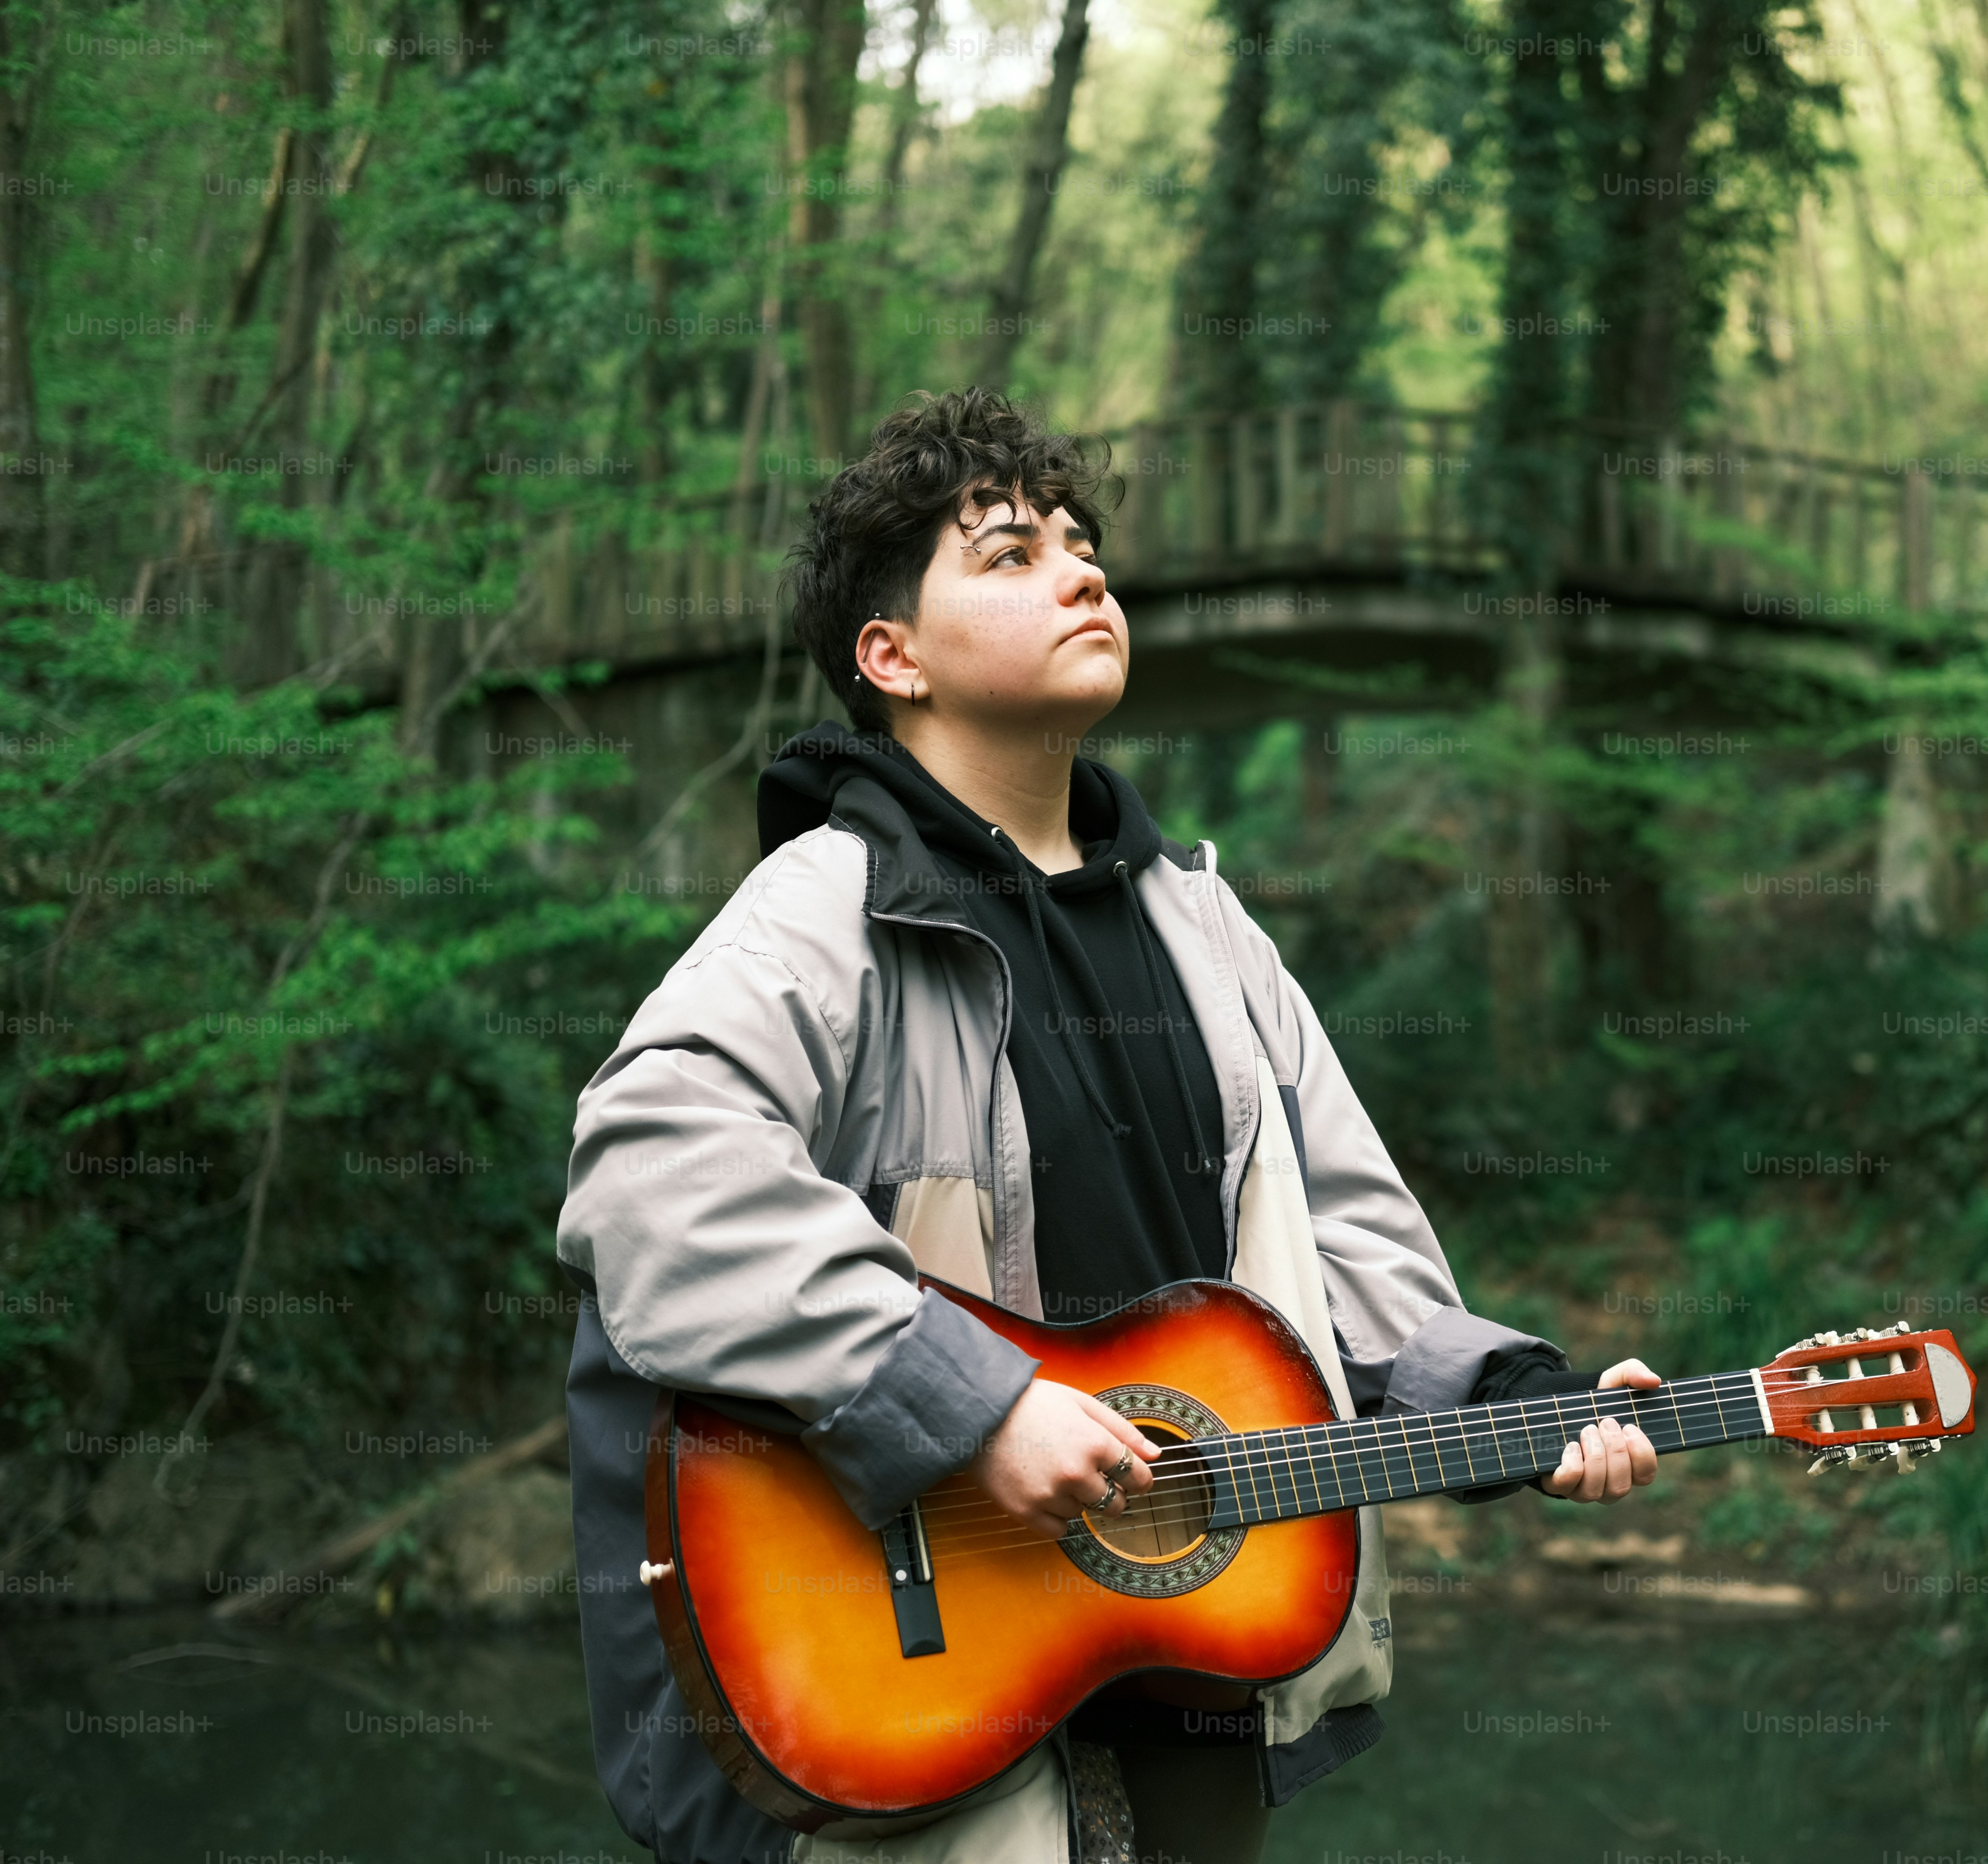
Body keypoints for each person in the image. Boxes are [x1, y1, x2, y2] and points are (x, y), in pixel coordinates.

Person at [556, 388, 1659, 1864]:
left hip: (1189, 1651)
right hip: (922, 1680)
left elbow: (1338, 1233)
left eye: (1082, 544)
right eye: (1011, 555)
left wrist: (1515, 1400)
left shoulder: (1203, 922)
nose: (1082, 572)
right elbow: (651, 1175)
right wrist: (977, 1405)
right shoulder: (825, 909)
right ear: (891, 658)